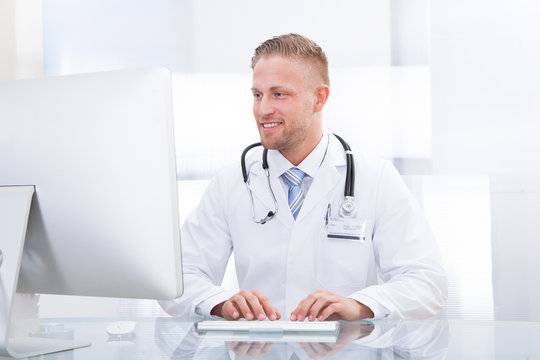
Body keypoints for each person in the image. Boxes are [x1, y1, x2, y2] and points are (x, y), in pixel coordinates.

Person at [160, 33, 447, 321]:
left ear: (319, 98)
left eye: (279, 94)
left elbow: (426, 283)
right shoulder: (231, 182)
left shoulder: (375, 178)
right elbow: (178, 278)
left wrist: (359, 306)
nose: (263, 109)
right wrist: (222, 304)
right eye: (257, 95)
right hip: (261, 352)